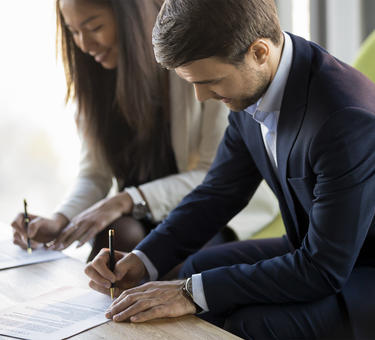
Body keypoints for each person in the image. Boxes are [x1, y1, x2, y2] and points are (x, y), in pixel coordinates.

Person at [84, 0, 375, 338]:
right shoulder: (257, 79)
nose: (200, 96)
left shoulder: (344, 120)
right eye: (192, 83)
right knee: (197, 268)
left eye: (210, 81)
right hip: (317, 249)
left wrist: (189, 293)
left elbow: (323, 269)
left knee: (247, 323)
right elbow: (218, 193)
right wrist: (144, 258)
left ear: (259, 52)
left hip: (360, 267)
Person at [10, 0, 279, 261]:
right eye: (74, 31)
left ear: (132, 18)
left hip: (210, 209)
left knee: (187, 258)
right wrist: (61, 218)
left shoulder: (197, 69)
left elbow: (215, 177)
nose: (83, 44)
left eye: (94, 27)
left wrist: (128, 199)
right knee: (114, 241)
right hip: (140, 212)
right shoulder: (94, 82)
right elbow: (95, 175)